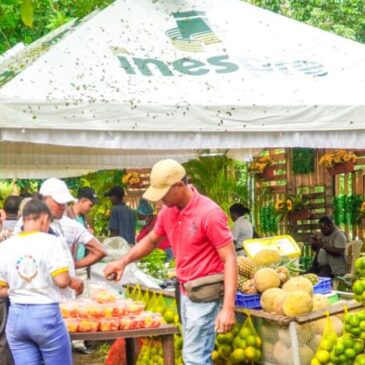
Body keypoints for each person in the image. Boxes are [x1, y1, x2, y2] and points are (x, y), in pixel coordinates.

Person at [104, 159, 237, 365]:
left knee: (195, 358)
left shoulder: (209, 213)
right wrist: (123, 261)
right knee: (193, 355)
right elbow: (150, 240)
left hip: (204, 293)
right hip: (184, 291)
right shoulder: (168, 211)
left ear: (179, 186)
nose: (161, 200)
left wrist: (228, 308)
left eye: (164, 193)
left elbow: (230, 259)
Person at [0, 199, 73, 365]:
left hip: (16, 318)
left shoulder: (5, 246)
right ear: (45, 219)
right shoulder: (50, 241)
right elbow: (62, 281)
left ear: (24, 219)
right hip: (45, 316)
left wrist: (18, 288)